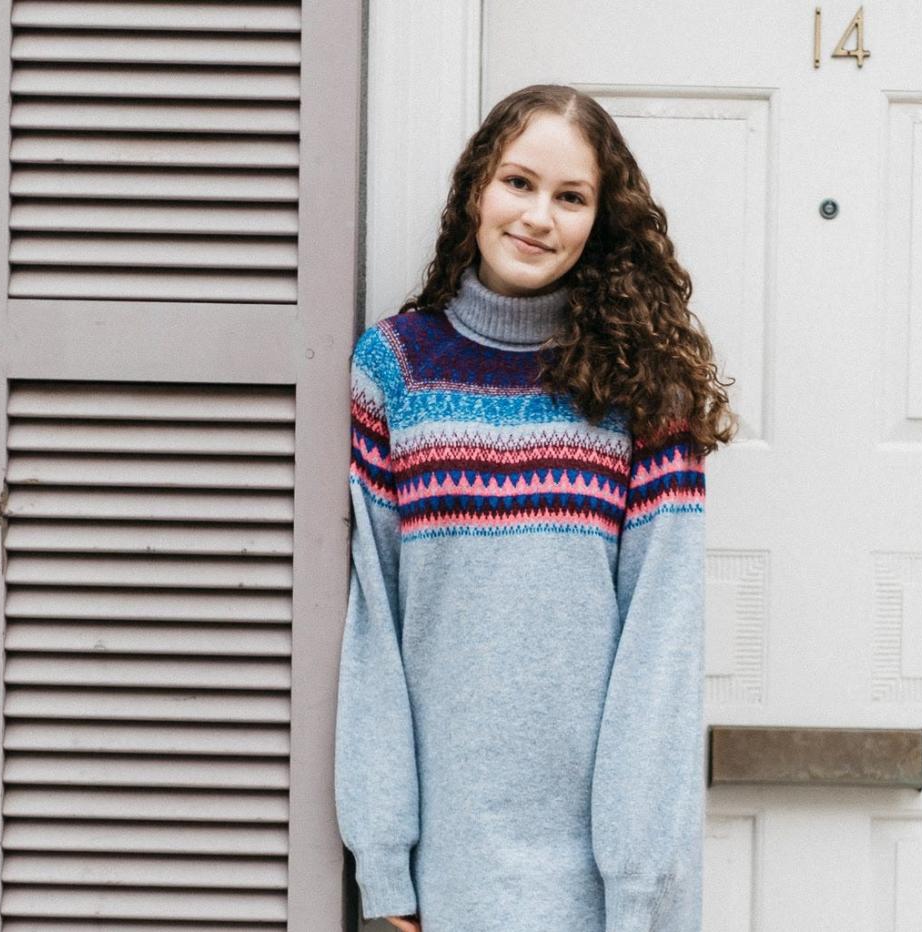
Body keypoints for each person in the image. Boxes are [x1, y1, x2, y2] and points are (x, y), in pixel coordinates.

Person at [334, 83, 737, 932]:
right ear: (477, 187)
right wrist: (385, 866)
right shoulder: (396, 369)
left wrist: (637, 889)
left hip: (604, 876)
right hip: (445, 869)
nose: (538, 217)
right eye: (519, 183)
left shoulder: (643, 389)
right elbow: (376, 624)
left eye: (571, 196)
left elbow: (659, 649)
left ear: (601, 220)